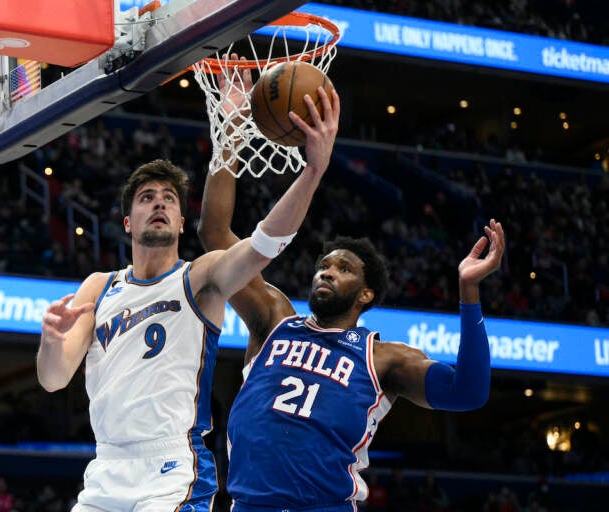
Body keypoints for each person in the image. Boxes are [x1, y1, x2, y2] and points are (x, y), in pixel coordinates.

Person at [37, 57, 341, 512]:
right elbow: (54, 378)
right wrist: (50, 341)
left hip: (170, 470)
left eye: (168, 199)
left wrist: (312, 172)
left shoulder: (201, 278)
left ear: (181, 222)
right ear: (127, 221)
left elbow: (263, 244)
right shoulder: (98, 287)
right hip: (106, 470)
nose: (158, 204)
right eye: (146, 198)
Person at [197, 162, 505, 511]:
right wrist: (227, 147)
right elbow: (214, 233)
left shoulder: (383, 358)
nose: (326, 273)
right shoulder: (274, 319)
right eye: (323, 266)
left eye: (343, 269)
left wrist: (468, 290)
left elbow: (469, 392)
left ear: (366, 294)